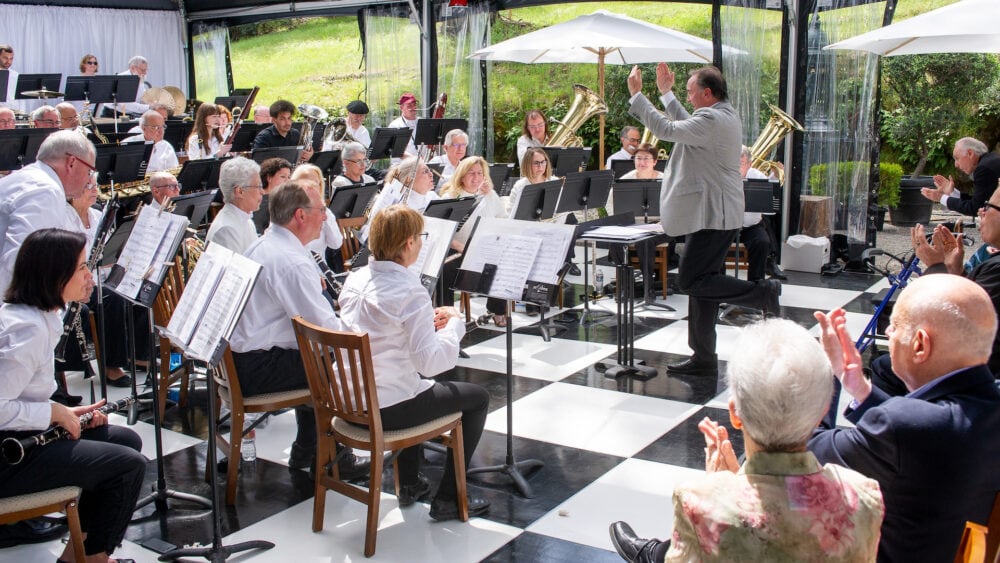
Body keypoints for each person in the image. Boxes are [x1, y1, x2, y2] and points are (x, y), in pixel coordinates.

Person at [610, 318, 883, 563]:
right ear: (824, 412)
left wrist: (722, 492)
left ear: (735, 415)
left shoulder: (699, 502)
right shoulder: (864, 497)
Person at [810, 275, 1000, 562]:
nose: (888, 331)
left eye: (895, 325)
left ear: (920, 344)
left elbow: (804, 451)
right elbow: (930, 431)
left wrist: (824, 374)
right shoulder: (985, 410)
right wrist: (860, 390)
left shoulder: (903, 427)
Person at [0, 228, 146, 563]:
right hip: (8, 457)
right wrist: (55, 414)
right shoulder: (27, 329)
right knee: (128, 467)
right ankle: (94, 560)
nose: (88, 276)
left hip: (19, 437)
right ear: (54, 274)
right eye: (81, 267)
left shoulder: (41, 315)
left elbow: (22, 392)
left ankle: (77, 555)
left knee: (125, 442)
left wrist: (65, 413)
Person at [339, 204, 491, 521]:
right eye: (420, 237)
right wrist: (455, 324)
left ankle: (409, 483)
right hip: (385, 411)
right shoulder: (410, 289)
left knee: (414, 384)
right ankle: (449, 498)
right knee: (476, 398)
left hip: (349, 404)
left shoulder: (355, 278)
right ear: (409, 243)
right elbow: (432, 363)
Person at [627, 63, 780, 377]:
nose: (688, 94)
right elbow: (686, 123)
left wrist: (638, 96)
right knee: (703, 287)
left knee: (691, 281)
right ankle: (704, 357)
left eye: (690, 90)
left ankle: (762, 293)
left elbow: (668, 130)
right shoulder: (719, 115)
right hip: (711, 213)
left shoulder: (712, 118)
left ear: (707, 93)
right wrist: (667, 93)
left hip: (714, 214)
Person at [228, 180, 367, 476]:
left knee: (315, 355)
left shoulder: (266, 244)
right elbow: (328, 331)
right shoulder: (289, 260)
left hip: (242, 361)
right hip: (256, 369)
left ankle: (307, 448)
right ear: (300, 216)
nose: (325, 216)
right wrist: (370, 327)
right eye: (321, 209)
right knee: (343, 360)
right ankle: (335, 456)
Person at [871, 186, 1000, 396]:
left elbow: (951, 318)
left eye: (988, 207)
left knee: (886, 367)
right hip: (978, 363)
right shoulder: (993, 260)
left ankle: (894, 426)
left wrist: (935, 266)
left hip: (979, 373)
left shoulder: (997, 268)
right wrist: (953, 269)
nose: (980, 211)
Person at [0, 130, 96, 294]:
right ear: (71, 162)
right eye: (89, 171)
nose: (89, 180)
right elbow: (22, 263)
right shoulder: (45, 191)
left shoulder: (32, 178)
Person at [438, 157, 506, 319]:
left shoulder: (490, 194)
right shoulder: (450, 197)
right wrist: (463, 247)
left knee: (503, 261)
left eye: (480, 173)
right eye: (471, 173)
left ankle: (497, 310)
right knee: (444, 270)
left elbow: (503, 220)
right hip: (459, 251)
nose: (476, 178)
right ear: (461, 175)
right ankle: (445, 314)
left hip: (486, 250)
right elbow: (442, 232)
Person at [610, 143, 669, 302]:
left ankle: (648, 287)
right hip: (633, 226)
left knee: (645, 241)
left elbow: (675, 206)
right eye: (639, 158)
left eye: (646, 159)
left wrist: (661, 223)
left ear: (655, 161)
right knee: (614, 241)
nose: (642, 162)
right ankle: (625, 285)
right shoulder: (626, 179)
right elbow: (611, 203)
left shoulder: (665, 179)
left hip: (661, 226)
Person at [360, 156, 440, 243]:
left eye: (429, 170)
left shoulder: (432, 196)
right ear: (409, 179)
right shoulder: (400, 204)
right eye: (425, 171)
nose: (431, 174)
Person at [738, 145, 785, 282]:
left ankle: (755, 283)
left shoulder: (757, 175)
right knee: (716, 243)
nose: (737, 167)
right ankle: (720, 285)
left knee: (762, 242)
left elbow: (768, 210)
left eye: (741, 164)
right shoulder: (726, 175)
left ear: (749, 164)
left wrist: (775, 177)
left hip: (750, 226)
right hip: (728, 226)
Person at [920, 137, 1000, 217]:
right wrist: (952, 192)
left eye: (957, 158)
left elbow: (976, 208)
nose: (956, 165)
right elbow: (980, 201)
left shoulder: (984, 168)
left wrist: (941, 198)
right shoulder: (990, 161)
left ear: (970, 153)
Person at [206, 156, 261, 254]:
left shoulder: (245, 219)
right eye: (258, 186)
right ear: (239, 191)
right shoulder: (226, 230)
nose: (262, 191)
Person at [290, 163, 343, 258]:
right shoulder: (286, 212)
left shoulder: (326, 212)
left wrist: (324, 216)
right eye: (309, 183)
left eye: (317, 183)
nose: (314, 187)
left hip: (320, 268)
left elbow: (336, 244)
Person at [507, 147, 556, 217]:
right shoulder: (519, 186)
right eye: (536, 163)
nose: (540, 166)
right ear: (528, 165)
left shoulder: (554, 181)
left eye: (543, 162)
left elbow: (561, 210)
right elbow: (511, 212)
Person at [387, 92, 419, 160]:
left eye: (414, 104)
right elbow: (396, 151)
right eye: (409, 105)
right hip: (402, 166)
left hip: (422, 165)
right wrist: (417, 161)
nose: (413, 107)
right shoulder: (395, 125)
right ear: (401, 107)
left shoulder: (423, 122)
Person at [0, 45, 20, 114]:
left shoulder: (16, 75)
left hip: (13, 112)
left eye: (11, 58)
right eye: (5, 58)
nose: (8, 61)